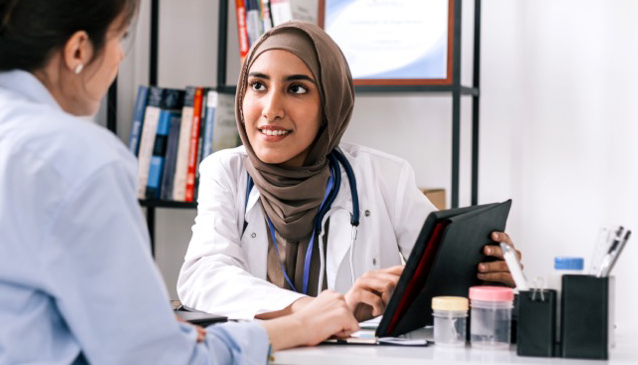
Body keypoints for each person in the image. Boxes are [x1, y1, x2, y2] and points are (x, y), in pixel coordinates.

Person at [0, 0, 358, 364]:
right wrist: (293, 328)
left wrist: (163, 335)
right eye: (120, 37)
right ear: (77, 49)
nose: (121, 58)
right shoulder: (78, 157)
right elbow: (158, 362)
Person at [177, 22, 522, 322]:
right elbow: (205, 276)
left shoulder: (385, 175)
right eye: (258, 85)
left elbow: (441, 275)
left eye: (296, 88)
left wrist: (489, 277)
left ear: (331, 102)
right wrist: (325, 310)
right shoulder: (225, 171)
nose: (271, 110)